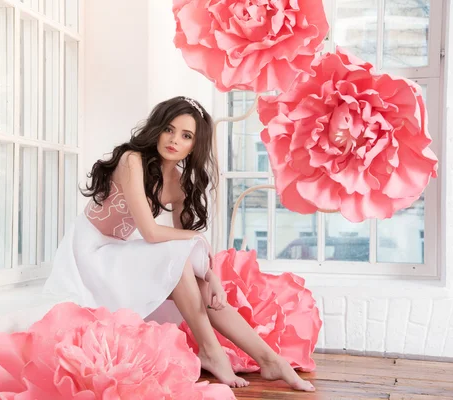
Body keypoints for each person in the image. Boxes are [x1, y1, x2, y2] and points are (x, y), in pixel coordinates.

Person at [44, 96, 315, 391]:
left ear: (194, 145)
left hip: (117, 251)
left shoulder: (180, 182)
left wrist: (211, 277)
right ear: (157, 128)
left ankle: (270, 359)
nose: (174, 141)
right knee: (176, 254)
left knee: (197, 284)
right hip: (88, 255)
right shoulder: (131, 160)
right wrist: (196, 237)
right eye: (169, 130)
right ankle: (212, 351)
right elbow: (150, 233)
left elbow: (183, 250)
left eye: (186, 136)